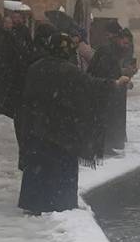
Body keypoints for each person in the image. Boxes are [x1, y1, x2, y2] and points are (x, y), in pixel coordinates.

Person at [16, 24, 130, 214]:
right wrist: (115, 83)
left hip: (36, 128)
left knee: (38, 167)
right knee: (61, 168)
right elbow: (91, 86)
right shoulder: (68, 71)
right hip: (61, 131)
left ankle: (34, 203)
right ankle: (60, 203)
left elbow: (26, 98)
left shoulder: (35, 68)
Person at [87, 21, 137, 154]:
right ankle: (104, 146)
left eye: (128, 44)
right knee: (105, 119)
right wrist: (117, 80)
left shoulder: (116, 51)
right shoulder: (107, 51)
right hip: (103, 91)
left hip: (112, 90)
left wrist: (126, 77)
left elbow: (116, 71)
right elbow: (103, 72)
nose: (127, 47)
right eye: (125, 43)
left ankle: (109, 144)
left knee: (112, 118)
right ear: (119, 40)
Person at [0, 0, 33, 118]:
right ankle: (0, 107)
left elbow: (26, 47)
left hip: (14, 67)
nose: (14, 21)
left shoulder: (22, 31)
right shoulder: (0, 33)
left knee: (11, 89)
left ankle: (7, 107)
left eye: (17, 18)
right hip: (2, 67)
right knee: (1, 88)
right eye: (13, 19)